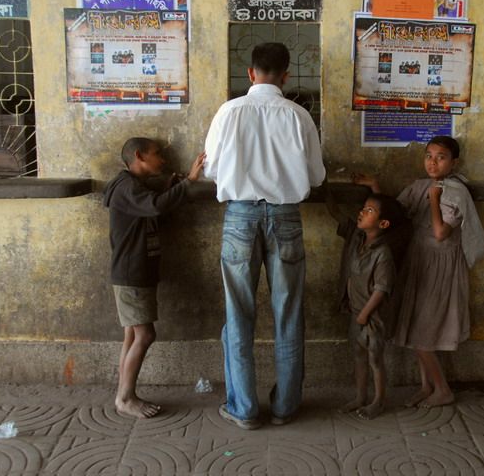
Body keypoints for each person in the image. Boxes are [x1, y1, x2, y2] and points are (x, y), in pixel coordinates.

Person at [204, 42, 326, 430]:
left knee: (238, 314)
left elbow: (212, 171)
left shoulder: (229, 112)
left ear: (250, 73)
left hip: (239, 216)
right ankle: (285, 407)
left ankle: (243, 409)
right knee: (288, 312)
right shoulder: (299, 115)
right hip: (286, 217)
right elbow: (316, 177)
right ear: (286, 76)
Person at [354, 136, 484, 409]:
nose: (433, 162)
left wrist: (435, 200)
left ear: (454, 162)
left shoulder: (454, 192)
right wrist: (375, 186)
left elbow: (440, 233)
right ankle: (426, 386)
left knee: (423, 336)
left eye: (441, 157)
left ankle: (443, 390)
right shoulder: (420, 186)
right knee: (417, 329)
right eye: (429, 156)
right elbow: (395, 213)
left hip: (439, 267)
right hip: (419, 263)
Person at [103, 137, 206, 418]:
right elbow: (155, 206)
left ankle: (122, 393)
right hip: (131, 272)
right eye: (157, 154)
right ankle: (125, 398)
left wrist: (172, 184)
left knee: (131, 336)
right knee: (145, 335)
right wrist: (189, 182)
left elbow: (153, 199)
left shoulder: (132, 186)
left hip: (135, 271)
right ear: (139, 156)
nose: (162, 159)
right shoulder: (126, 188)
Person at [326, 189, 407, 420]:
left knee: (375, 359)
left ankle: (378, 401)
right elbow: (336, 213)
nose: (362, 212)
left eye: (369, 211)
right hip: (356, 312)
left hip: (373, 317)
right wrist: (325, 186)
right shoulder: (357, 239)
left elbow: (382, 289)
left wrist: (365, 314)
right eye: (363, 208)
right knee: (359, 356)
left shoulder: (383, 253)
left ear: (383, 223)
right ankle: (360, 397)